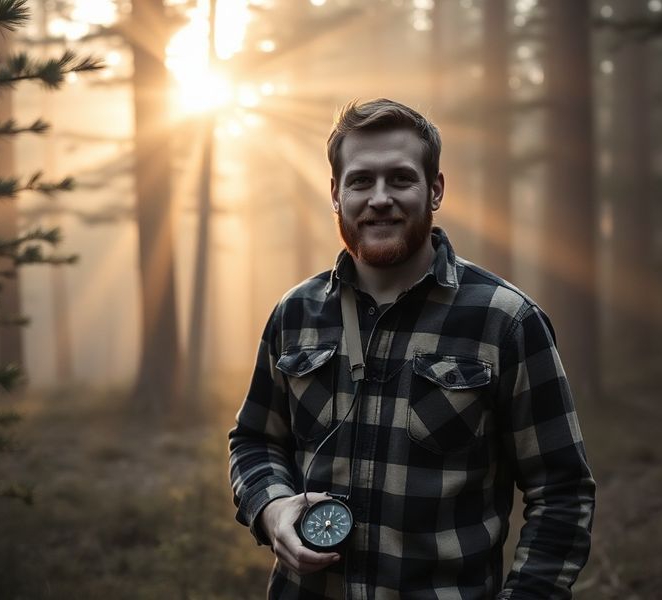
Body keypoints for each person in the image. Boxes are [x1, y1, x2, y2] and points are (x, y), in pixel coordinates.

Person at [229, 98, 595, 599]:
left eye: (400, 179)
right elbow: (255, 440)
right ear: (336, 194)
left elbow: (562, 492)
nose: (380, 198)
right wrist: (271, 508)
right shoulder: (295, 314)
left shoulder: (505, 321)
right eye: (361, 181)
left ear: (436, 189)